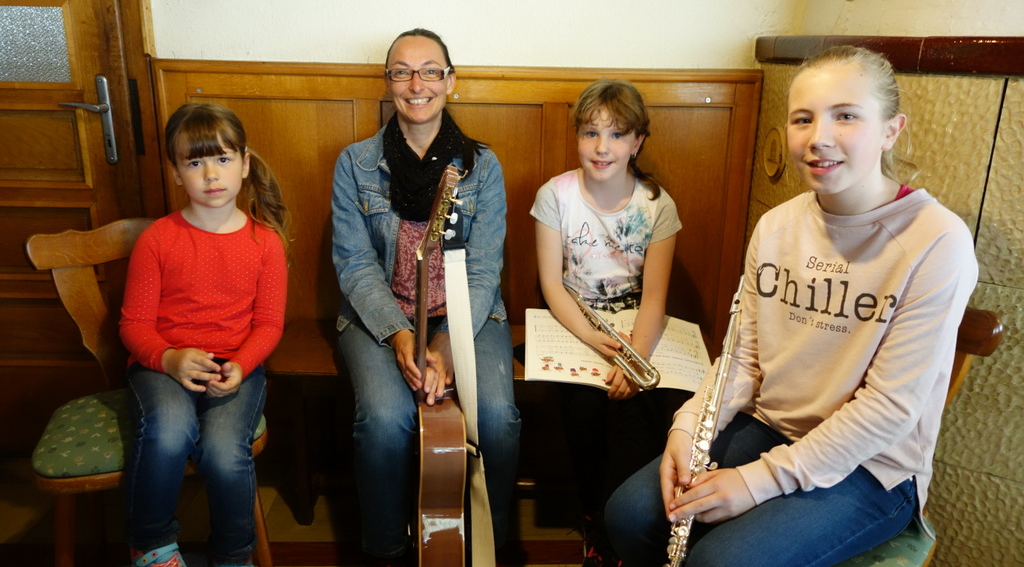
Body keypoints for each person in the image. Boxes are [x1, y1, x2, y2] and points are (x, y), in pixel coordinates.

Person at [604, 45, 979, 567]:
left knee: (718, 562)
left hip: (872, 468)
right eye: (803, 119)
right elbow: (742, 357)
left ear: (891, 130)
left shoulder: (937, 240)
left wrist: (756, 481)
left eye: (846, 116)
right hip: (768, 425)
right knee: (627, 516)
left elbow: (890, 408)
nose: (819, 137)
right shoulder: (777, 226)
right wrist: (688, 427)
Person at [331, 28, 521, 562]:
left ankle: (486, 545)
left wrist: (448, 341)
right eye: (402, 72)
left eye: (430, 71)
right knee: (384, 422)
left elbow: (484, 268)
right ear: (388, 81)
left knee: (498, 418)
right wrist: (399, 334)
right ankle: (387, 551)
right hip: (380, 317)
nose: (417, 84)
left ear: (450, 81)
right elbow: (354, 263)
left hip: (467, 314)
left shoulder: (483, 167)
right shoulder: (355, 164)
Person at [119, 103, 290, 567]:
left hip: (235, 366)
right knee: (169, 432)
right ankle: (152, 546)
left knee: (223, 451)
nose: (211, 174)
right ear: (176, 173)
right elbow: (134, 325)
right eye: (195, 162)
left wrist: (242, 365)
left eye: (222, 159)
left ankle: (233, 556)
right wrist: (169, 358)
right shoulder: (157, 239)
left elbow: (269, 324)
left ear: (244, 164)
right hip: (162, 364)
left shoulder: (265, 243)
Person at [530, 79, 684, 567]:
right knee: (583, 406)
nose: (602, 147)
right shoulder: (555, 195)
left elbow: (654, 298)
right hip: (577, 320)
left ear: (637, 142)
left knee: (642, 409)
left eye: (617, 135)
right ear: (577, 136)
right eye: (591, 133)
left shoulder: (657, 205)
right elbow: (552, 285)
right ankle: (594, 519)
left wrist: (633, 360)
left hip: (637, 326)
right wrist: (595, 339)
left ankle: (622, 530)